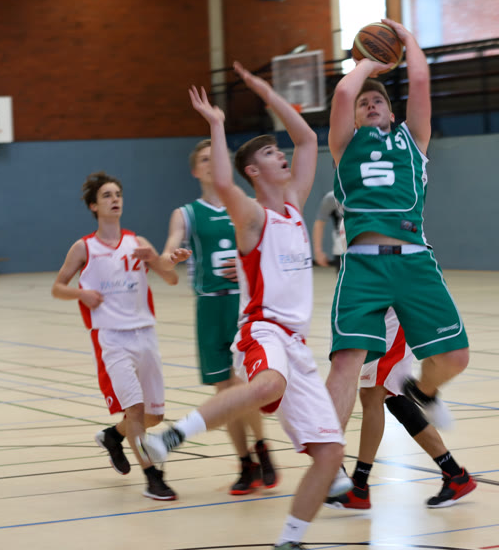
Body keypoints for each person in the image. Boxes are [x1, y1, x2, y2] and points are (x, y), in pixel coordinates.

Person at [136, 62, 345, 550]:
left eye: (278, 150)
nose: (282, 154)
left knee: (331, 453)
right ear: (253, 170)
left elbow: (307, 140)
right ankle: (171, 437)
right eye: (270, 153)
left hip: (296, 344)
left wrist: (267, 93)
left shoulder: (293, 205)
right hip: (261, 329)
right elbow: (226, 186)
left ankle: (289, 540)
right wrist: (216, 123)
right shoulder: (251, 217)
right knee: (268, 383)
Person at [325, 18, 470, 489]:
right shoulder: (345, 144)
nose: (370, 104)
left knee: (456, 358)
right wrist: (370, 63)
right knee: (346, 364)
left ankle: (423, 390)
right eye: (365, 102)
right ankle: (329, 459)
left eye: (379, 101)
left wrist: (407, 41)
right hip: (364, 264)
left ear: (392, 112)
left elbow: (421, 83)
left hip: (413, 259)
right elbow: (343, 92)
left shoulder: (414, 140)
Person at [154, 138, 277, 495]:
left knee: (240, 387)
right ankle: (246, 462)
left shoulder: (248, 205)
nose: (211, 163)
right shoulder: (186, 213)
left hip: (242, 306)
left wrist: (246, 266)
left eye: (216, 157)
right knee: (225, 390)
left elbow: (270, 252)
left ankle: (261, 446)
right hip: (209, 307)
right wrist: (171, 257)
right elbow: (166, 256)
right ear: (196, 170)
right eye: (205, 159)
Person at [51, 171, 179, 501]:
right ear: (94, 206)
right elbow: (58, 287)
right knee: (135, 410)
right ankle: (152, 477)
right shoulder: (84, 247)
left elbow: (171, 279)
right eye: (107, 195)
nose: (115, 199)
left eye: (118, 194)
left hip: (145, 334)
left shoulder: (138, 243)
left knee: (154, 416)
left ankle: (113, 436)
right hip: (111, 338)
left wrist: (161, 261)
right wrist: (81, 294)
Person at [325, 308, 477, 510]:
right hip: (380, 313)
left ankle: (359, 486)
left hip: (393, 309)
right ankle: (455, 474)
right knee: (395, 398)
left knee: (372, 392)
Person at [312, 190, 344, 271]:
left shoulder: (368, 193)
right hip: (341, 249)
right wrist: (318, 251)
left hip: (367, 247)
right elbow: (319, 223)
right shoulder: (332, 197)